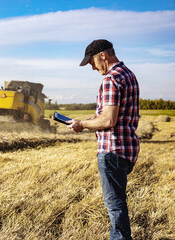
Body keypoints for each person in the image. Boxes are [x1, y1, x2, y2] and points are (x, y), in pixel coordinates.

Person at [67, 39, 140, 240]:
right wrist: (85, 120)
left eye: (91, 62)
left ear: (102, 56)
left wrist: (82, 125)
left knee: (115, 205)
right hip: (127, 149)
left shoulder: (111, 79)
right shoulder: (129, 75)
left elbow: (108, 119)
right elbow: (114, 115)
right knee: (118, 202)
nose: (91, 67)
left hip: (112, 149)